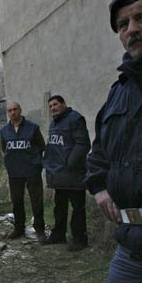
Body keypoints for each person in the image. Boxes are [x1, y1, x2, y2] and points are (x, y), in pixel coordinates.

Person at [85, 0, 142, 283]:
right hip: (131, 247)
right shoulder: (118, 92)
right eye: (123, 25)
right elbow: (99, 152)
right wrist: (99, 187)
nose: (132, 30)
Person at [42, 95, 91, 251]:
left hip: (74, 173)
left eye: (55, 104)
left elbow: (83, 144)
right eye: (50, 106)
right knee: (59, 206)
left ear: (64, 104)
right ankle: (58, 235)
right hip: (58, 173)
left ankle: (79, 239)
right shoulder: (54, 123)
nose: (52, 108)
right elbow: (54, 146)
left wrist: (70, 163)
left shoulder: (75, 119)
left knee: (77, 208)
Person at [0, 102, 46, 242]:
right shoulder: (4, 131)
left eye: (15, 109)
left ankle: (40, 230)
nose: (12, 113)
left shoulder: (33, 128)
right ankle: (19, 228)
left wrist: (34, 161)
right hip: (14, 172)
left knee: (36, 201)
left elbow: (41, 146)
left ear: (20, 110)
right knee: (17, 201)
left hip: (32, 171)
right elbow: (4, 148)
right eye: (9, 111)